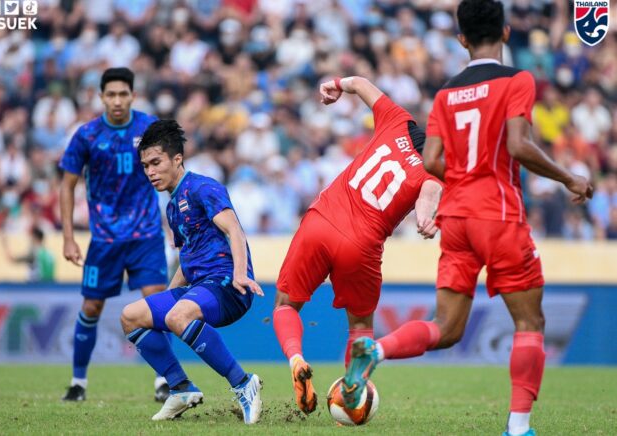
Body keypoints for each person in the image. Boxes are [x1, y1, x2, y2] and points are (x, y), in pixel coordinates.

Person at [342, 2, 593, 436]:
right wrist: (570, 177)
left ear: (461, 39)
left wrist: (457, 186)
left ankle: (376, 349)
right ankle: (518, 429)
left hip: (455, 217)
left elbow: (433, 159)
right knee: (530, 323)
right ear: (507, 32)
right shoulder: (517, 80)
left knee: (447, 328)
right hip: (498, 212)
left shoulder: (445, 94)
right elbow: (517, 145)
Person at [272, 75, 443, 415]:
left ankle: (296, 359)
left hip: (321, 220)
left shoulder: (398, 121)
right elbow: (429, 197)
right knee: (361, 327)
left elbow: (361, 84)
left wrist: (336, 83)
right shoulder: (436, 173)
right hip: (361, 244)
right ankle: (351, 394)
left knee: (286, 305)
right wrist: (426, 220)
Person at [119, 120, 264, 424]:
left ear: (177, 159)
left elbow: (235, 231)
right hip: (199, 286)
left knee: (177, 316)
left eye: (156, 163)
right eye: (145, 165)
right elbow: (186, 261)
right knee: (132, 316)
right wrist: (164, 299)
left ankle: (243, 384)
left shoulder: (202, 187)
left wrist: (240, 274)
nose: (150, 171)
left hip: (227, 284)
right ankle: (181, 388)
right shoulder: (172, 208)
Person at [59, 68, 169, 402]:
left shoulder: (149, 128)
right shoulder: (87, 135)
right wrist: (67, 236)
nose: (117, 100)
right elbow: (67, 185)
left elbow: (170, 171)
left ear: (133, 95)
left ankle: (164, 380)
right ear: (101, 96)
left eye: (123, 94)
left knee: (157, 301)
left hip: (146, 234)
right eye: (111, 94)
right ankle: (78, 382)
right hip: (104, 239)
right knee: (91, 307)